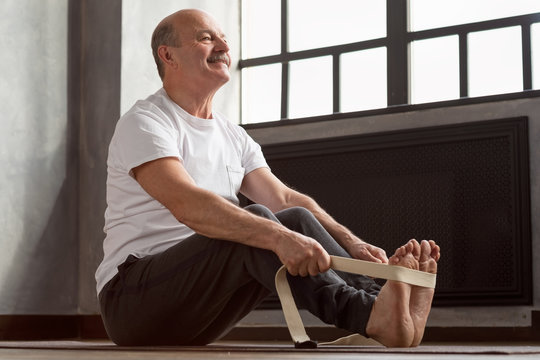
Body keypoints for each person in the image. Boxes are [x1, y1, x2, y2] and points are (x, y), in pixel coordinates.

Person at [95, 8, 441, 348]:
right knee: (261, 223)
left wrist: (352, 244)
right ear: (168, 55)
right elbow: (188, 205)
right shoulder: (145, 122)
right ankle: (371, 315)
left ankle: (384, 301)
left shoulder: (233, 135)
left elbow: (287, 201)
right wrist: (278, 237)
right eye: (206, 38)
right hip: (132, 303)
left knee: (295, 217)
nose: (223, 47)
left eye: (224, 39)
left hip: (196, 313)